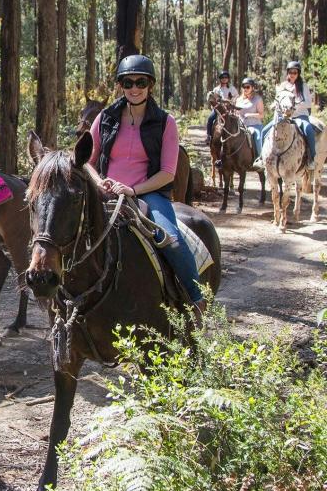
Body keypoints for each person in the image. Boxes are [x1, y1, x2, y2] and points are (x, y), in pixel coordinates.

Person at [86, 54, 206, 319]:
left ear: (150, 84)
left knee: (171, 238)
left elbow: (167, 173)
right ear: (121, 86)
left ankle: (196, 300)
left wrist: (133, 190)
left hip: (148, 193)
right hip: (105, 191)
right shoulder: (105, 117)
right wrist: (98, 181)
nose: (135, 88)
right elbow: (86, 161)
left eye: (141, 82)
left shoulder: (165, 122)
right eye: (128, 83)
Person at [255, 60, 316, 171]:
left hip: (299, 116)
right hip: (283, 117)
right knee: (264, 131)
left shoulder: (303, 86)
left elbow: (308, 103)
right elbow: (277, 100)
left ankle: (311, 158)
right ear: (287, 73)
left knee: (308, 130)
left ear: (298, 74)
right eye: (290, 72)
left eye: (295, 72)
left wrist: (294, 105)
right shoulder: (282, 86)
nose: (292, 74)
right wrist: (273, 105)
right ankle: (260, 158)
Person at [206, 70, 238, 145]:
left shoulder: (232, 88)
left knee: (236, 120)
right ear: (220, 79)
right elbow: (212, 100)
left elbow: (236, 96)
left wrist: (232, 101)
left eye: (226, 77)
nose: (224, 79)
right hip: (218, 109)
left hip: (228, 109)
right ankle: (209, 136)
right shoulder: (216, 89)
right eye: (222, 77)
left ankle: (237, 137)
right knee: (210, 118)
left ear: (228, 78)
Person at [235, 77, 264, 158]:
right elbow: (237, 113)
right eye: (244, 87)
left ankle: (261, 159)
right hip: (241, 126)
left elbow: (262, 115)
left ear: (252, 88)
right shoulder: (239, 100)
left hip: (255, 125)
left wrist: (250, 114)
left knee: (258, 139)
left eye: (248, 87)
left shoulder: (257, 99)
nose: (245, 89)